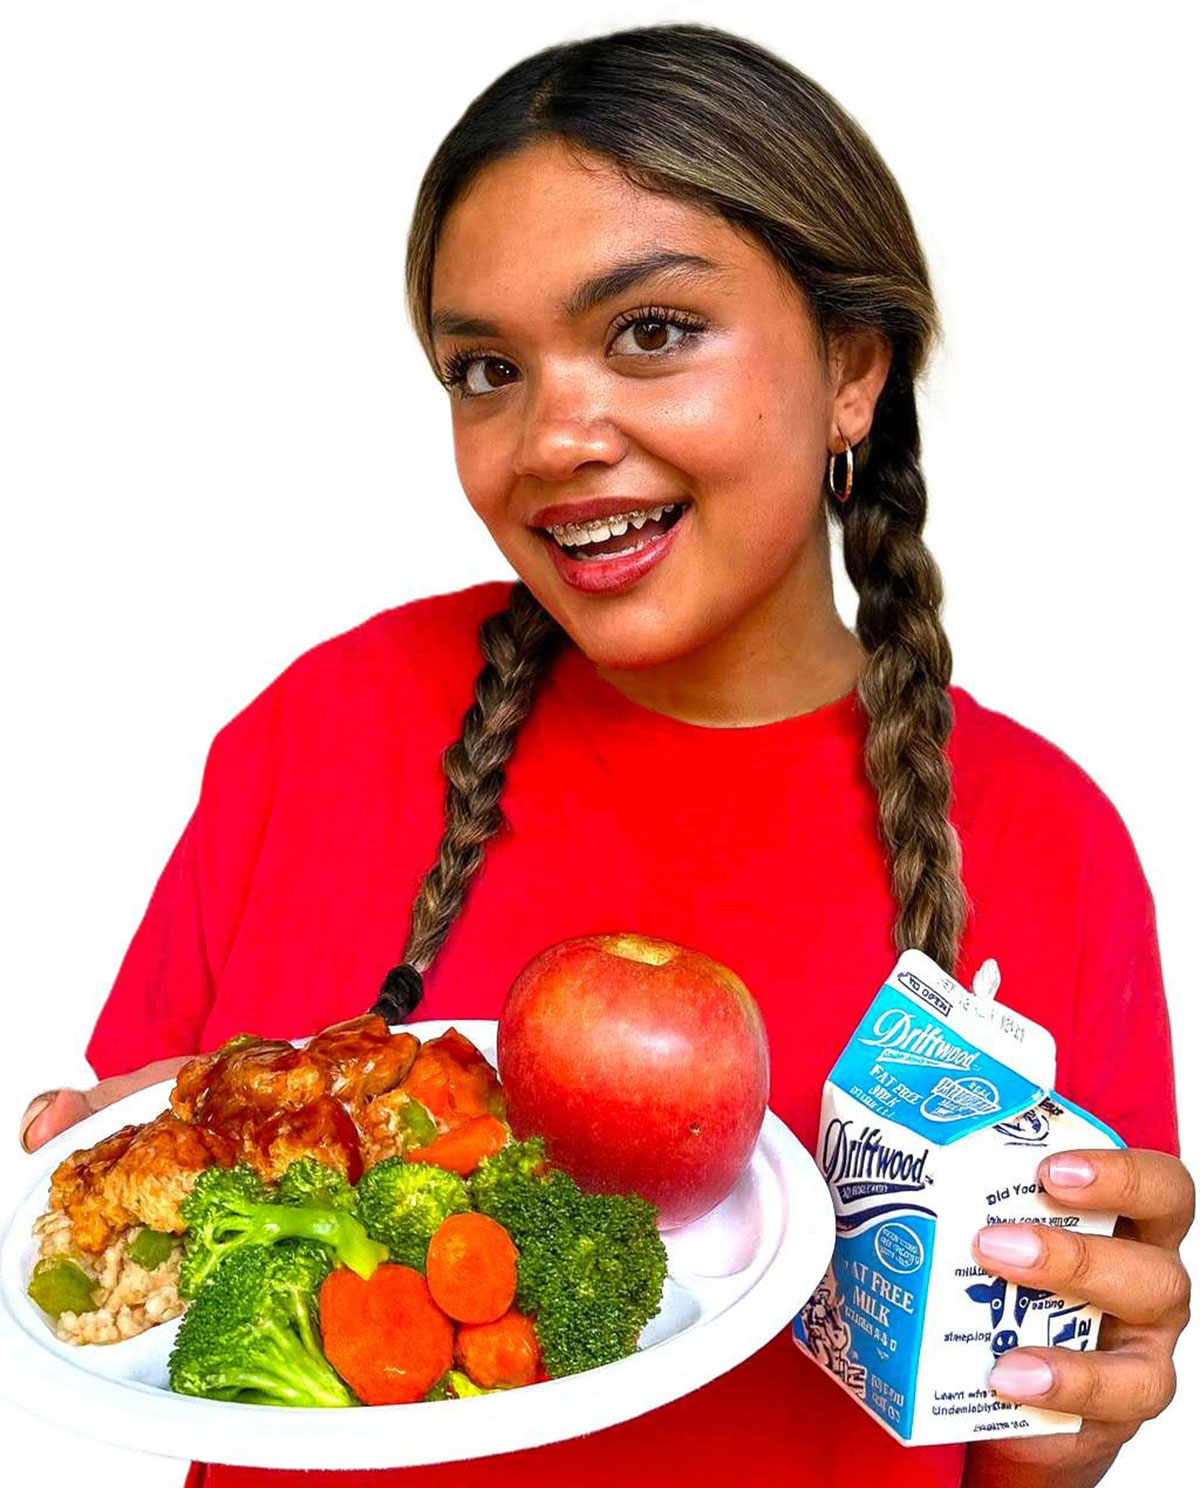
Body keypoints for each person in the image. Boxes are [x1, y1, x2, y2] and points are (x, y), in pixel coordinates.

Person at [17, 21, 1192, 1488]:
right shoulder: (318, 734)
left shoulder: (1044, 842)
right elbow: (121, 1261)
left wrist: (1064, 1436)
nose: (552, 436)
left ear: (853, 367)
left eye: (651, 331)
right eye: (486, 366)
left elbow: (1030, 1417)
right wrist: (157, 1151)